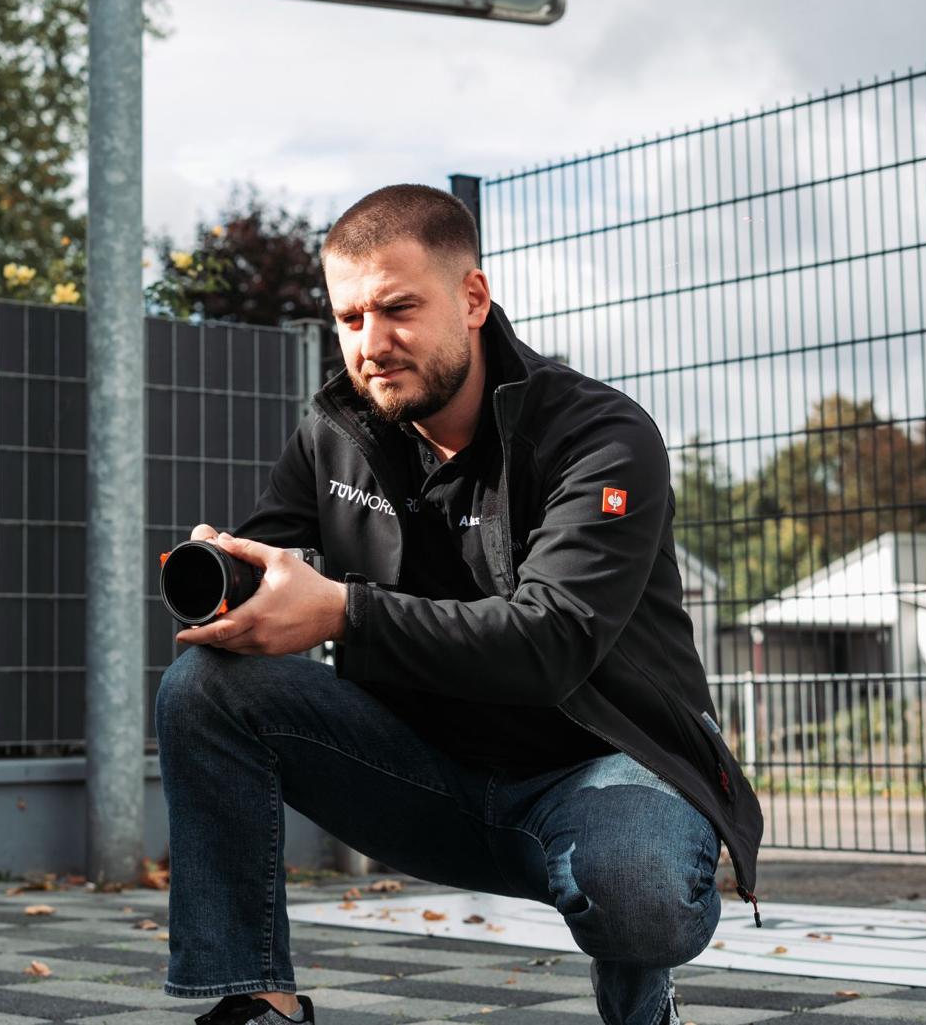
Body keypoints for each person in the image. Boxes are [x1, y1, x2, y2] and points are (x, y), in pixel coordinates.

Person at [155, 183, 763, 1025]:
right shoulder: (337, 433)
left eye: (398, 308)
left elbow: (551, 639)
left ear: (472, 297)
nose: (371, 344)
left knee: (640, 886)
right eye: (350, 317)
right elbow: (269, 567)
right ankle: (259, 999)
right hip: (423, 770)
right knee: (204, 687)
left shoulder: (598, 437)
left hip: (594, 769)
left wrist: (340, 611)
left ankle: (640, 998)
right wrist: (230, 579)